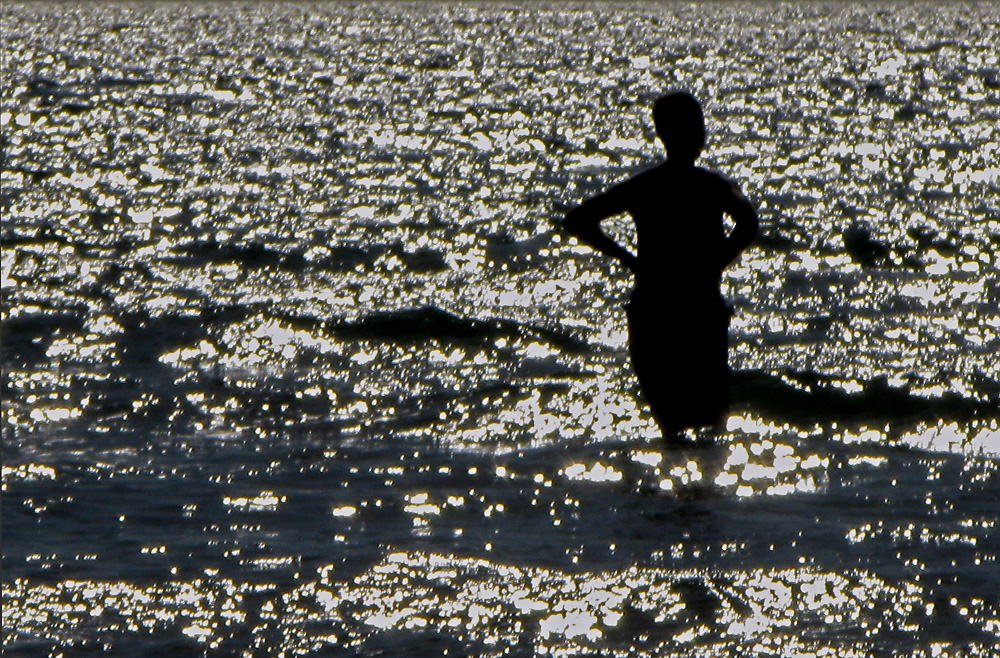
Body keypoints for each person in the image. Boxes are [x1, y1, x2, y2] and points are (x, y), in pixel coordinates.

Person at [562, 91, 758, 442]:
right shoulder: (713, 186)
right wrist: (714, 264)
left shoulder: (645, 186)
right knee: (713, 424)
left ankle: (667, 494)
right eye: (697, 126)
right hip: (696, 309)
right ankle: (702, 494)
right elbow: (748, 222)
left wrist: (632, 263)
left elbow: (578, 220)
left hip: (654, 309)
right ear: (692, 133)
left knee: (671, 425)